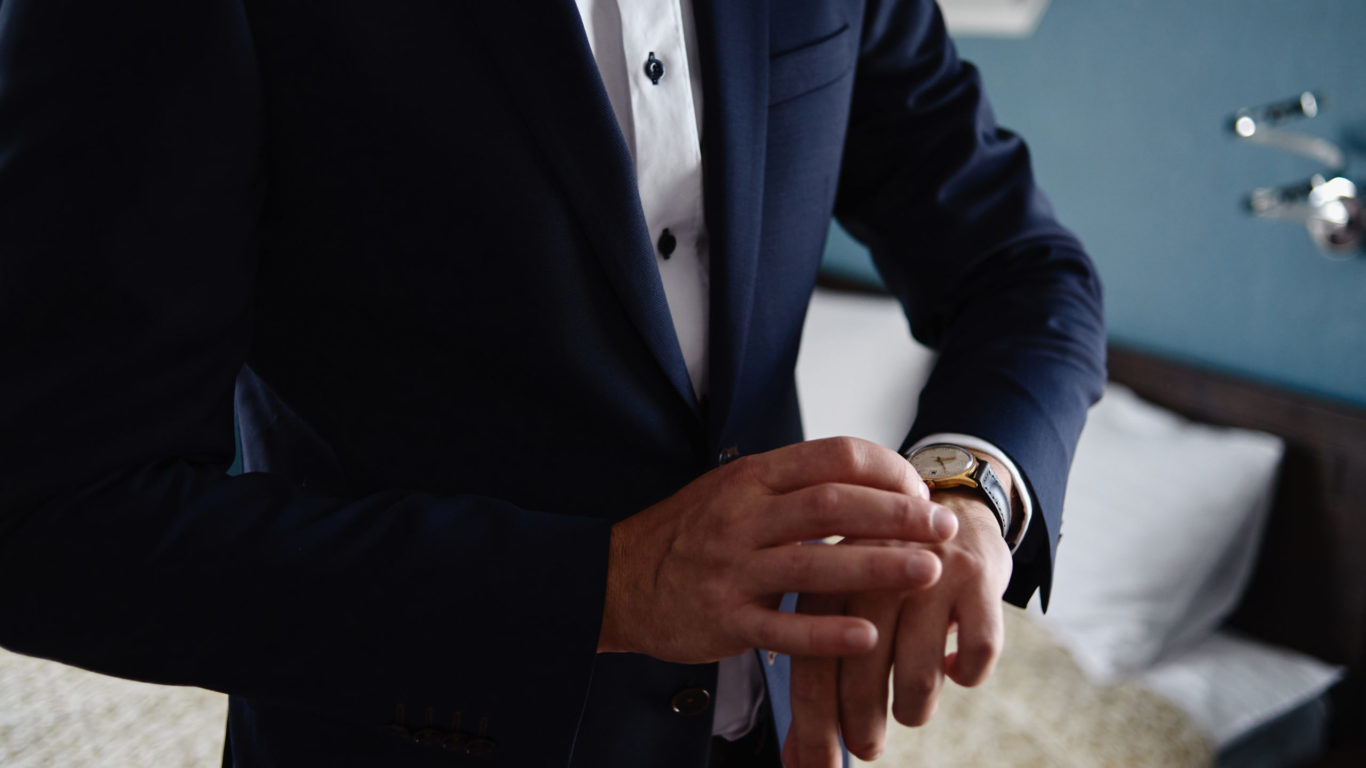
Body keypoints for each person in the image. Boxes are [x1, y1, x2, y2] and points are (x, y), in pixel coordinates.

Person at [0, 0, 1105, 766]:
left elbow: (1021, 269)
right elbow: (50, 525)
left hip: (777, 742)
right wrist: (605, 586)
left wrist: (969, 488)